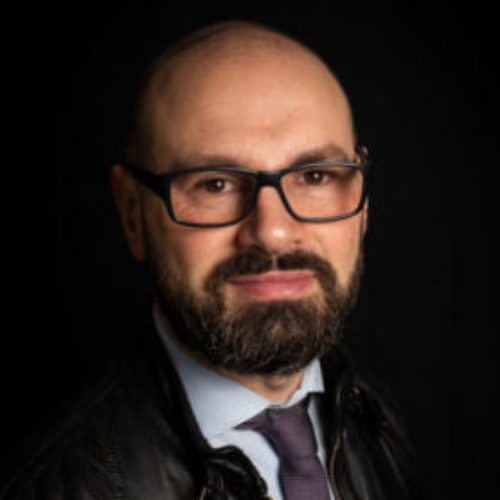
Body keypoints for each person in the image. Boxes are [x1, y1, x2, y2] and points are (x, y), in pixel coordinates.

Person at [3, 20, 417, 499]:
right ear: (133, 213)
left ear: (364, 202)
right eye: (215, 184)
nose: (273, 231)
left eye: (315, 176)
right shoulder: (53, 487)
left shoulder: (386, 424)